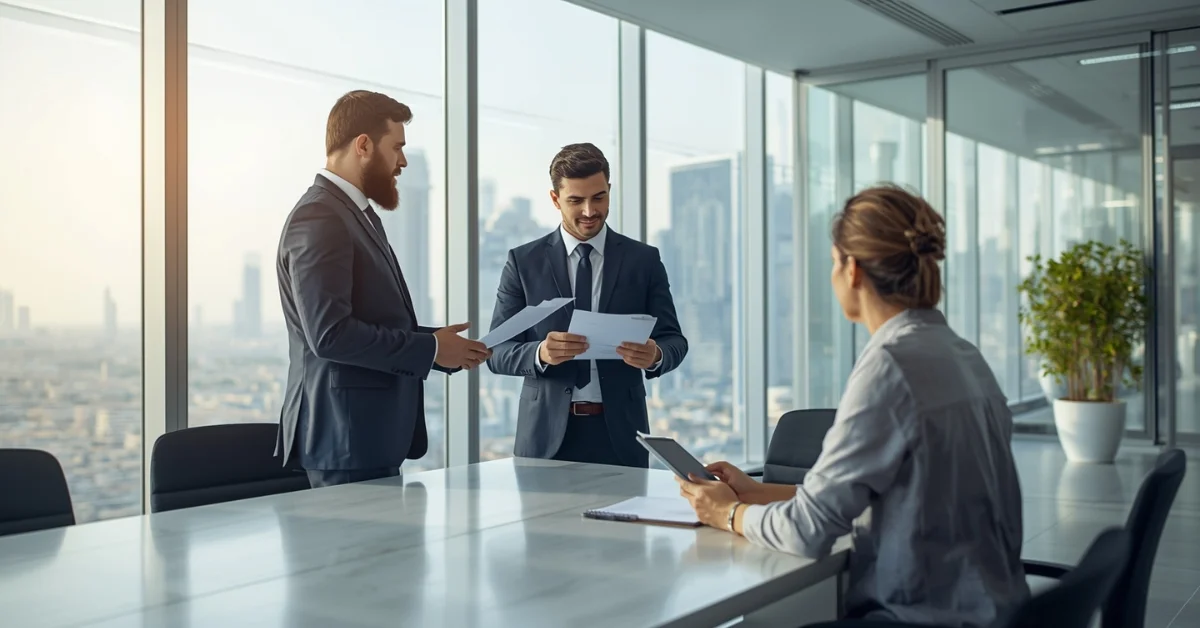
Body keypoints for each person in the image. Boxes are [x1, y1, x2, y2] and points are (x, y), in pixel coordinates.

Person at [677, 185, 1029, 626]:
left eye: (832, 262)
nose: (831, 275)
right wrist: (755, 493)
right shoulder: (960, 352)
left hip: (919, 616)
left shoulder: (891, 367)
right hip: (990, 606)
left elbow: (807, 534)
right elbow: (900, 496)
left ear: (853, 269)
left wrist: (726, 513)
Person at [276, 90, 490, 488]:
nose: (403, 161)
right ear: (363, 145)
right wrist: (430, 349)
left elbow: (371, 320)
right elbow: (330, 334)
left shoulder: (354, 214)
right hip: (343, 440)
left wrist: (441, 347)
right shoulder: (320, 216)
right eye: (397, 147)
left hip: (364, 440)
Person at [486, 143, 688, 468]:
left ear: (609, 190)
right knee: (542, 522)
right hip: (544, 437)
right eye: (576, 201)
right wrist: (540, 353)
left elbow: (675, 340)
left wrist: (656, 355)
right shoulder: (524, 262)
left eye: (599, 197)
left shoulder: (643, 260)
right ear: (555, 199)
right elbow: (496, 352)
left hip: (621, 434)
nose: (589, 211)